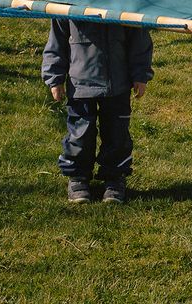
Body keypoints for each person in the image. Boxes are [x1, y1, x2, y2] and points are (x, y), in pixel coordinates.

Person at [41, 18, 153, 204]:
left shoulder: (124, 3)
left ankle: (114, 178)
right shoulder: (67, 5)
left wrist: (140, 74)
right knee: (80, 133)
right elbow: (57, 40)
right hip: (81, 84)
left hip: (118, 83)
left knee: (117, 133)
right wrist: (55, 77)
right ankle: (78, 177)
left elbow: (139, 39)